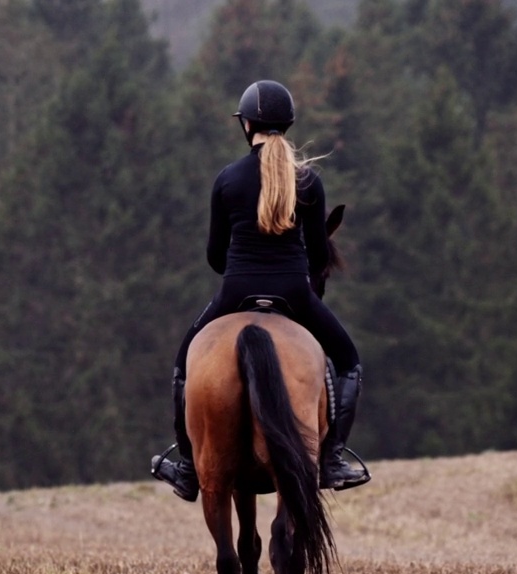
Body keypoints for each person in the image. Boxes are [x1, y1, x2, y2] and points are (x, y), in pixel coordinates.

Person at [150, 80, 370, 501]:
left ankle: (187, 469)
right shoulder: (308, 181)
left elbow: (216, 256)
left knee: (183, 366)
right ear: (286, 124)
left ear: (246, 124)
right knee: (349, 363)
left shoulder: (227, 180)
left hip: (236, 291)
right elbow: (319, 255)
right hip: (295, 293)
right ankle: (332, 459)